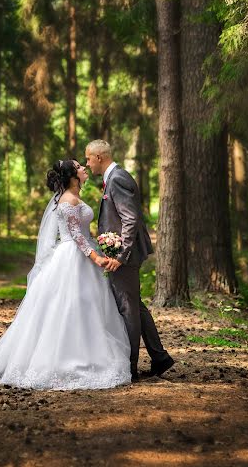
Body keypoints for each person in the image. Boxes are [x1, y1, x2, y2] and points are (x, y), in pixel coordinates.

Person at [0, 159, 131, 390]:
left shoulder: (73, 196)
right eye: (79, 167)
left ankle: (87, 350)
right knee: (71, 305)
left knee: (88, 306)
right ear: (72, 176)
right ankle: (66, 359)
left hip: (81, 254)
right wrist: (96, 257)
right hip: (73, 257)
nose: (84, 169)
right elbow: (77, 235)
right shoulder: (67, 200)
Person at [85, 140, 175, 380]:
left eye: (88, 159)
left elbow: (130, 219)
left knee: (127, 308)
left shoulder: (118, 179)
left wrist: (120, 256)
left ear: (99, 158)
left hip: (125, 256)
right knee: (135, 306)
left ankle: (129, 367)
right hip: (123, 254)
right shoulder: (113, 178)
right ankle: (160, 357)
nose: (87, 163)